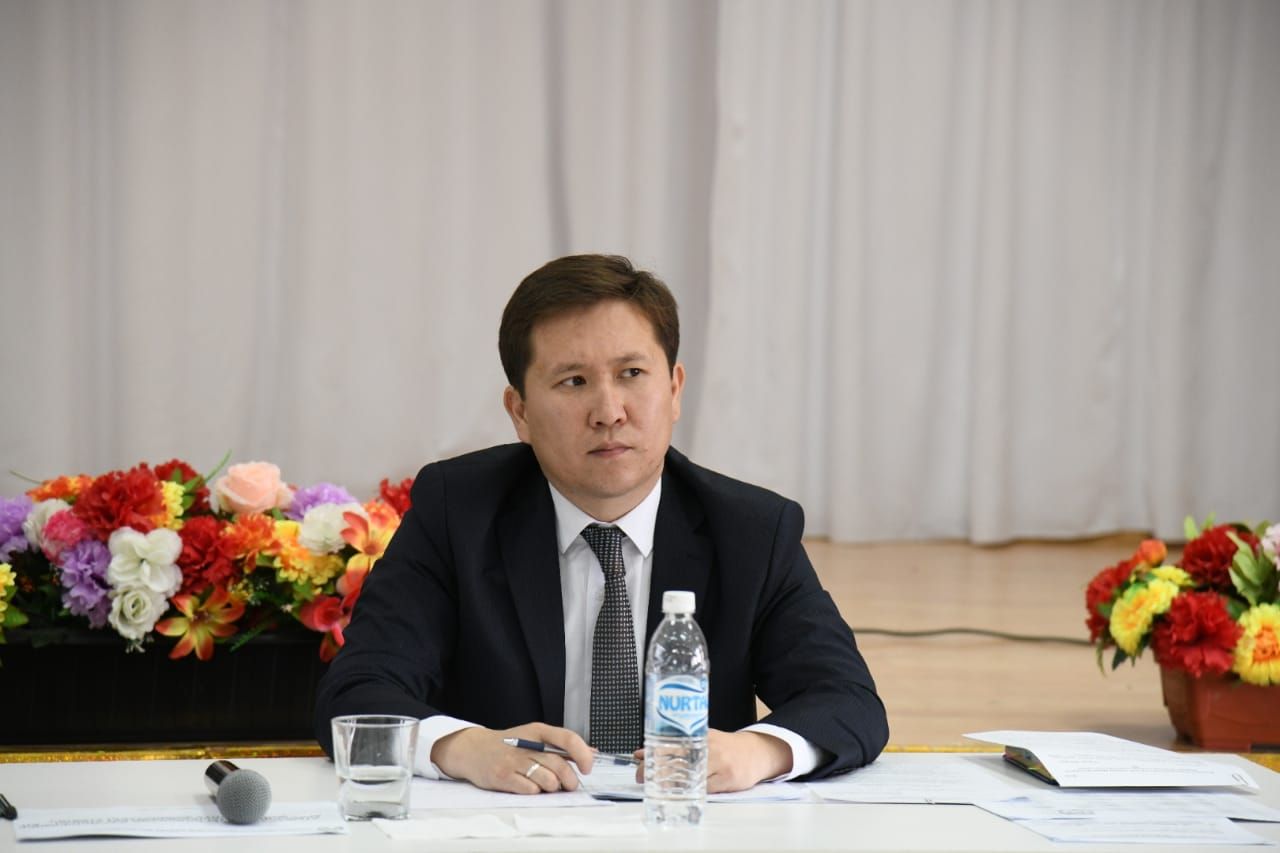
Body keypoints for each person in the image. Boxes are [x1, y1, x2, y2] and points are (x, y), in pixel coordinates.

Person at [314, 254, 888, 794]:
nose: (609, 412)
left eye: (632, 373)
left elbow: (847, 700)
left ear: (674, 389)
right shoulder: (457, 512)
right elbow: (357, 692)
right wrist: (461, 748)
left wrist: (756, 753)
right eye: (574, 382)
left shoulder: (751, 531)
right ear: (520, 412)